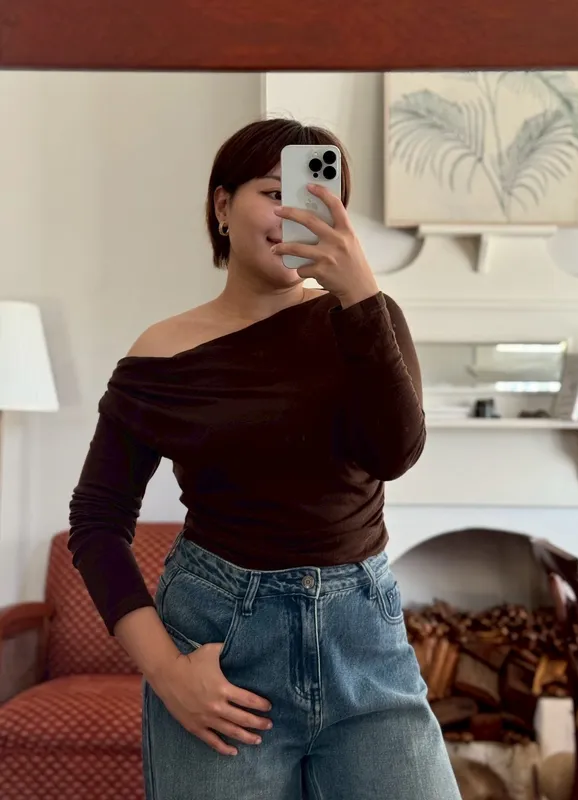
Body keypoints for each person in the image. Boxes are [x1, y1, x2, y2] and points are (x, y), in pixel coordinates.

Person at [68, 117, 461, 800]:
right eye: (275, 194)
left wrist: (361, 297)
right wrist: (167, 673)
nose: (295, 216)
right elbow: (97, 520)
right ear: (222, 206)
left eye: (316, 198)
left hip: (364, 643)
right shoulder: (163, 354)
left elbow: (395, 454)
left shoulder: (366, 319)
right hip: (221, 649)